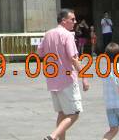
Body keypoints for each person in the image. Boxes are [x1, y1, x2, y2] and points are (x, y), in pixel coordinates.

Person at [38, 8, 89, 140]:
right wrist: (84, 77)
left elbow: (40, 53)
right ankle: (53, 136)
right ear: (63, 20)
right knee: (74, 113)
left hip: (52, 80)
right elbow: (73, 58)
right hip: (67, 80)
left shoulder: (48, 34)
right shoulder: (67, 35)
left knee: (62, 113)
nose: (75, 22)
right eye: (72, 19)